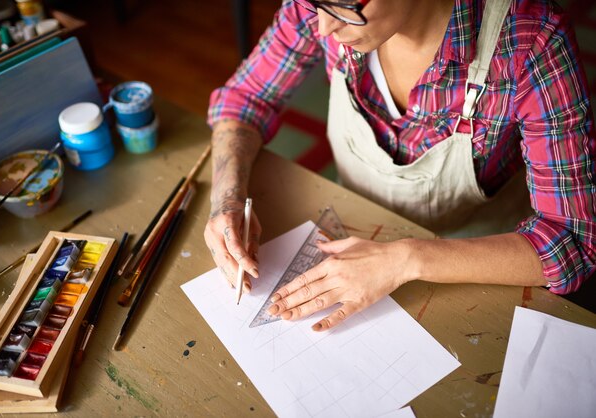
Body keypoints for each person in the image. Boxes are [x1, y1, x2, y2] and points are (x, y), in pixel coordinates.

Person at [204, 0, 596, 331]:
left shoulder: (530, 39)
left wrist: (405, 258)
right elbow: (245, 98)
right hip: (355, 226)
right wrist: (227, 200)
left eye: (344, 4)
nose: (324, 27)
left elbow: (571, 241)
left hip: (480, 261)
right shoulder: (320, 9)